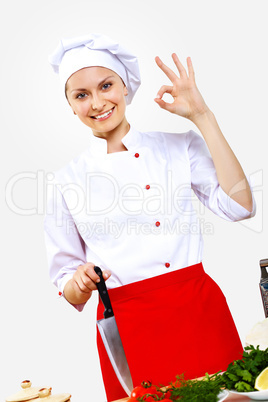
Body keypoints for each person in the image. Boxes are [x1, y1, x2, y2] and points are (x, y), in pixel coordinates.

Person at [45, 33, 255, 401]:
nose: (96, 103)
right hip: (127, 328)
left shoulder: (179, 147)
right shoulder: (65, 182)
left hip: (198, 311)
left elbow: (240, 206)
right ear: (70, 105)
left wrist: (202, 117)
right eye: (81, 95)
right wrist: (80, 280)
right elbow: (67, 283)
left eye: (106, 86)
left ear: (125, 86)